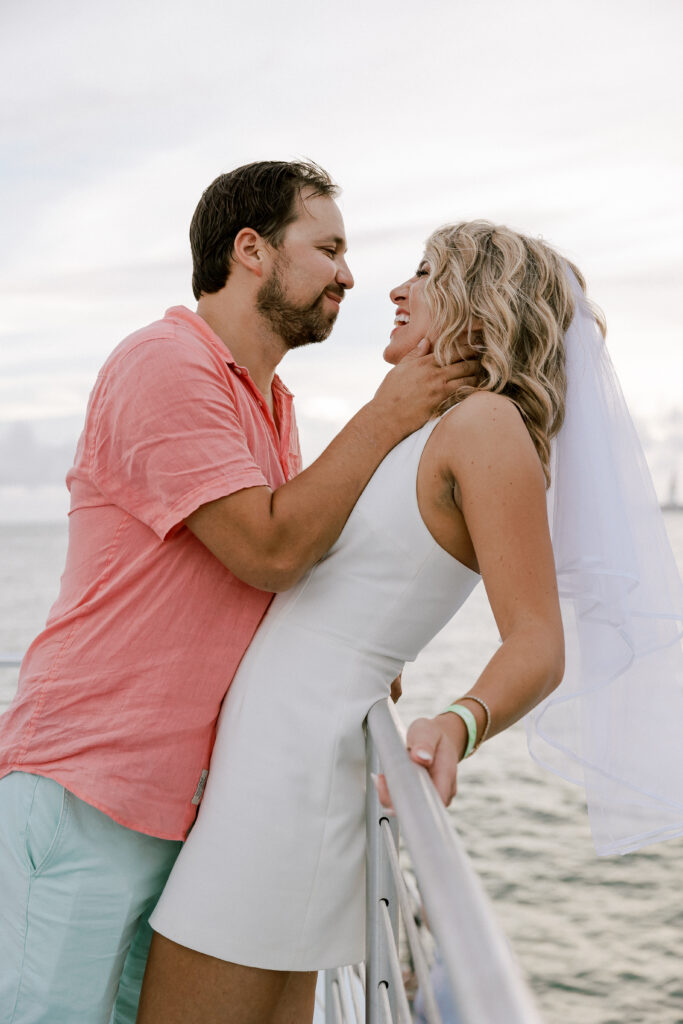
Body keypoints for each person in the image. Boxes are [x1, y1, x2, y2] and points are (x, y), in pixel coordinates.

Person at [139, 219, 683, 1024]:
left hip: (291, 780)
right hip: (271, 768)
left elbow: (537, 640)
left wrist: (458, 722)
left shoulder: (487, 427)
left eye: (426, 272)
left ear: (477, 302)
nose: (395, 289)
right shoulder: (426, 429)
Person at [0, 161, 481, 1024]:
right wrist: (385, 413)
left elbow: (266, 576)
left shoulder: (271, 401)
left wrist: (349, 649)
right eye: (327, 247)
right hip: (90, 791)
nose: (349, 274)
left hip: (181, 807)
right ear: (250, 250)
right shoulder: (164, 363)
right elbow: (267, 548)